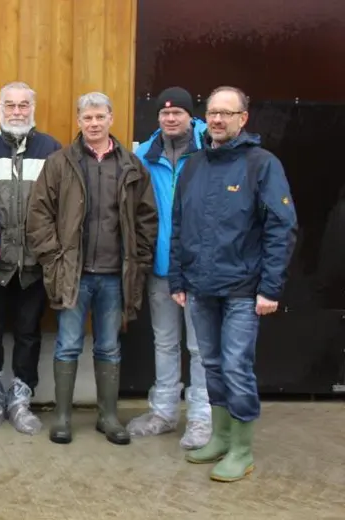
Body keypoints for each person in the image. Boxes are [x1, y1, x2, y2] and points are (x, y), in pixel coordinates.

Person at [170, 85, 297, 482]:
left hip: (243, 289)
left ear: (244, 118)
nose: (218, 120)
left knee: (236, 366)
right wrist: (178, 277)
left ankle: (242, 449)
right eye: (212, 113)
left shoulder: (262, 165)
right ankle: (221, 438)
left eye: (227, 113)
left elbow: (282, 226)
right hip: (201, 288)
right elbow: (179, 225)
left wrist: (270, 288)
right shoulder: (193, 166)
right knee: (210, 365)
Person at [26, 91, 157, 446]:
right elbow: (39, 214)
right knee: (68, 345)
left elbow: (147, 219)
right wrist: (54, 258)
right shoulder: (60, 163)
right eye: (87, 118)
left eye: (100, 117)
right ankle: (64, 417)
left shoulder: (131, 165)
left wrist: (139, 260)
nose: (94, 124)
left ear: (111, 119)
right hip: (74, 273)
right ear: (79, 121)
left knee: (109, 347)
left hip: (115, 275)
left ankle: (108, 416)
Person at [0, 81, 62, 434]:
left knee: (29, 333)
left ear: (32, 109)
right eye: (10, 105)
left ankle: (21, 401)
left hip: (34, 264)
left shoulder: (51, 149)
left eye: (23, 105)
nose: (17, 111)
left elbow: (60, 206)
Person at [126, 87, 211, 449]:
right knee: (164, 341)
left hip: (200, 266)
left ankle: (202, 418)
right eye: (164, 114)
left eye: (178, 113)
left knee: (200, 346)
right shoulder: (144, 155)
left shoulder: (211, 150)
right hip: (160, 264)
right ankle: (163, 412)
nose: (170, 118)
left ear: (190, 117)